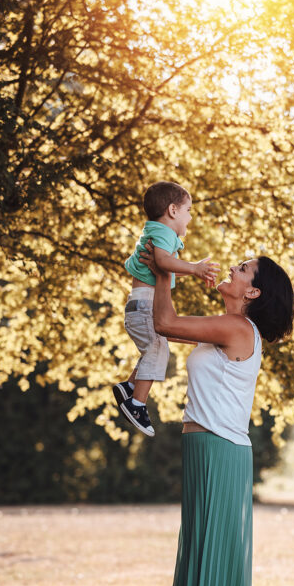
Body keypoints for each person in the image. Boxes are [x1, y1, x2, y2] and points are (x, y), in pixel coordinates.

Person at [142, 240, 294, 586]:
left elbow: (164, 322)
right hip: (205, 449)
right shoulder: (228, 326)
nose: (234, 266)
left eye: (244, 268)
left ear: (252, 293)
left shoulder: (237, 329)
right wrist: (169, 270)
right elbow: (166, 327)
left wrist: (168, 268)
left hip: (221, 451)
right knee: (208, 551)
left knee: (222, 555)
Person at [115, 181, 220, 437]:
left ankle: (128, 388)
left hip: (140, 303)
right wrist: (195, 268)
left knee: (154, 348)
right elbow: (162, 262)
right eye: (188, 210)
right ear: (173, 210)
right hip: (145, 305)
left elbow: (166, 267)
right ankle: (136, 404)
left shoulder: (159, 233)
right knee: (157, 351)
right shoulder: (164, 233)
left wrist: (192, 269)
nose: (190, 216)